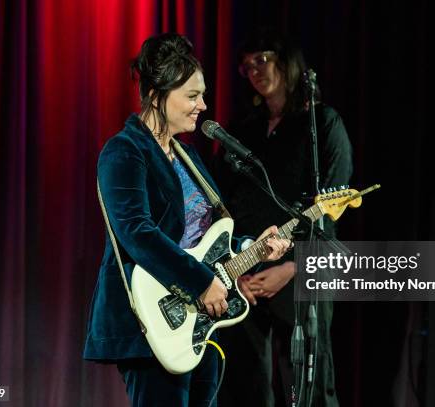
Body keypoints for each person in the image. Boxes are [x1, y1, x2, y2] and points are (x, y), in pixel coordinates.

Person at [83, 33, 291, 407]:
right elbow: (136, 232)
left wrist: (254, 247)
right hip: (152, 319)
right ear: (156, 95)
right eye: (192, 96)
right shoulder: (125, 151)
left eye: (203, 95)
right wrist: (199, 281)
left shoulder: (189, 157)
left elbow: (210, 237)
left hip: (197, 325)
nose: (203, 105)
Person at [214, 28, 353, 406]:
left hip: (301, 272)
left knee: (308, 382)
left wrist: (292, 267)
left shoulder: (321, 124)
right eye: (246, 66)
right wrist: (237, 267)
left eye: (262, 59)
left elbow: (330, 211)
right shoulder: (244, 131)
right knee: (248, 382)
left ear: (286, 62)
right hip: (247, 274)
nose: (254, 71)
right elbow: (224, 204)